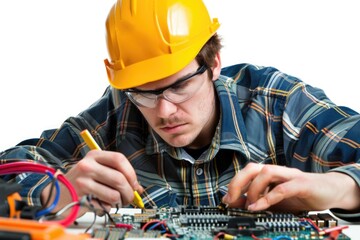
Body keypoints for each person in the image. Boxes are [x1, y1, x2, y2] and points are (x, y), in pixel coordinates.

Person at [1, 0, 359, 222]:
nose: (164, 110)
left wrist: (337, 188)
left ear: (214, 62)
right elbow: (8, 170)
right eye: (144, 92)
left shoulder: (278, 104)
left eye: (179, 85)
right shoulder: (115, 116)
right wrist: (57, 192)